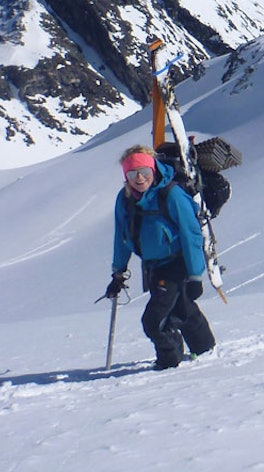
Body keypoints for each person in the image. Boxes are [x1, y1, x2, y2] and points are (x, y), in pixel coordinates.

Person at [103, 145, 215, 369]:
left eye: (144, 171)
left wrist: (195, 275)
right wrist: (118, 272)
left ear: (153, 169)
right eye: (133, 174)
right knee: (182, 308)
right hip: (153, 266)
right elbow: (122, 236)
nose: (140, 178)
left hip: (177, 262)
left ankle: (168, 360)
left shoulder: (171, 194)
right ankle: (205, 349)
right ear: (126, 176)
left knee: (153, 320)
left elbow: (191, 234)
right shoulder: (124, 199)